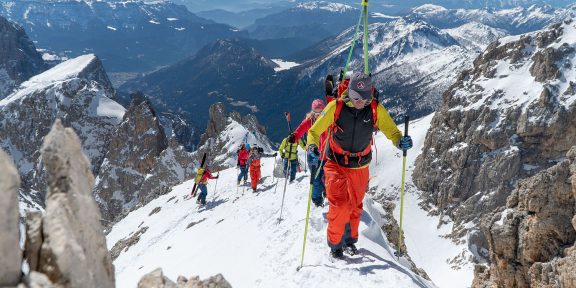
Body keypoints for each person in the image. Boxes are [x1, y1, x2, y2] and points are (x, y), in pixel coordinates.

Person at [306, 72, 413, 259]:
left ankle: (349, 241)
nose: (359, 102)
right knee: (340, 205)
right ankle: (335, 245)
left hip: (360, 167)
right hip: (336, 163)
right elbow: (314, 132)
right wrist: (312, 146)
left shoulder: (374, 108)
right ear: (349, 91)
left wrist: (400, 141)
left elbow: (392, 132)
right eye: (356, 97)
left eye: (364, 98)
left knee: (355, 206)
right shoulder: (335, 107)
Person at [288, 99, 328, 207]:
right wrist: (294, 137)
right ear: (312, 112)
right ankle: (317, 200)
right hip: (313, 155)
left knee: (328, 177)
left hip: (326, 155)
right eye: (316, 113)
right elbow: (300, 130)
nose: (318, 115)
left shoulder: (328, 121)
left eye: (321, 113)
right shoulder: (309, 121)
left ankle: (326, 191)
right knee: (316, 179)